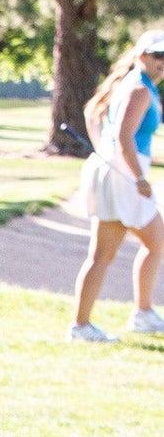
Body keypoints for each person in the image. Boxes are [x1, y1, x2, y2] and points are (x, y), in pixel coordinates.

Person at [69, 30, 164, 341]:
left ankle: (141, 313)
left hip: (116, 172)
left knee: (148, 244)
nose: (163, 63)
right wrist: (139, 178)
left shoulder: (138, 85)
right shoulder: (139, 89)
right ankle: (86, 325)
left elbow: (92, 115)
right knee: (109, 253)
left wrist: (103, 152)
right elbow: (125, 138)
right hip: (125, 177)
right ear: (141, 57)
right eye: (158, 56)